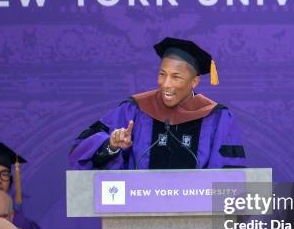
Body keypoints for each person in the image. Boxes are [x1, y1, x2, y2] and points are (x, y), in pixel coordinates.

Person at [69, 37, 246, 170]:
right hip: (136, 213)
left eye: (176, 77)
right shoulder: (135, 110)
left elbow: (229, 181)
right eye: (162, 74)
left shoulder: (216, 117)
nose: (165, 83)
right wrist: (111, 145)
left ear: (194, 82)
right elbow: (82, 149)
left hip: (198, 215)